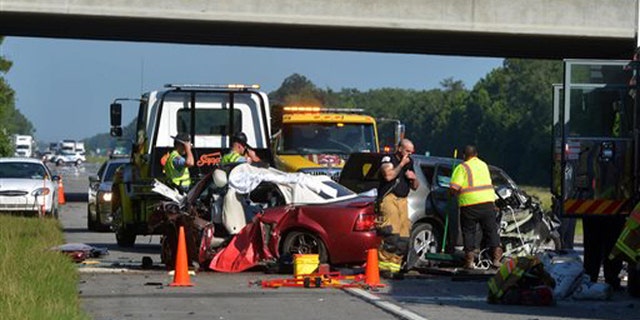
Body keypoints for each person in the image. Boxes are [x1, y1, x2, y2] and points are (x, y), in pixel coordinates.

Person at [449, 145, 502, 269]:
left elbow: (454, 187)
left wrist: (451, 195)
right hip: (488, 203)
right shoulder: (483, 165)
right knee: (491, 231)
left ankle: (469, 262)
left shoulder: (462, 167)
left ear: (464, 156)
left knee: (469, 232)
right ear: (476, 154)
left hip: (469, 205)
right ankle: (496, 259)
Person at [376, 138, 419, 274]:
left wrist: (414, 178)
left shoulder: (409, 163)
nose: (409, 155)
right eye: (407, 151)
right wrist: (401, 165)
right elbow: (388, 176)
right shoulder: (388, 159)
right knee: (391, 234)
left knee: (403, 237)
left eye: (411, 152)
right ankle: (383, 267)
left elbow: (415, 187)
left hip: (403, 200)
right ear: (399, 148)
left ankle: (395, 267)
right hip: (389, 198)